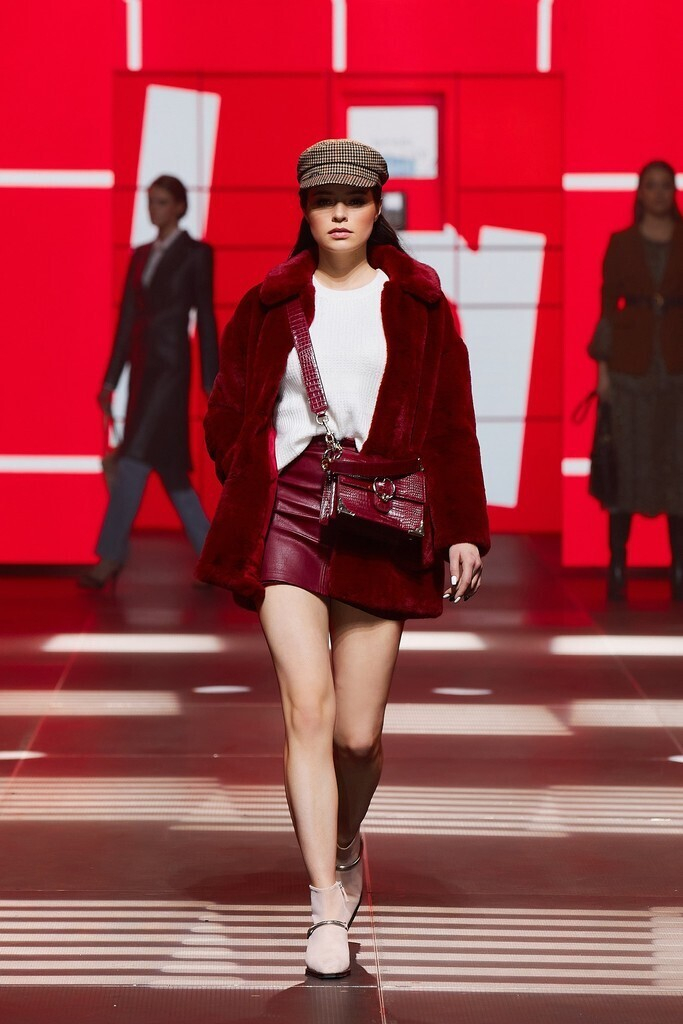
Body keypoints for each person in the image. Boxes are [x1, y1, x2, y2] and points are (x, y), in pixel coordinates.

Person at [196, 140, 490, 978]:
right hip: (286, 515)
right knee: (307, 711)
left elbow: (450, 424)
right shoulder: (269, 303)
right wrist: (249, 473)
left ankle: (345, 838)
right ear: (304, 206)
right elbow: (226, 411)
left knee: (357, 738)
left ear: (375, 207)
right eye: (322, 198)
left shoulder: (419, 304)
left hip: (379, 518)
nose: (336, 212)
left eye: (352, 199)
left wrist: (462, 528)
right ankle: (325, 902)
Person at [79, 175, 219, 589]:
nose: (152, 208)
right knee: (172, 474)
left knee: (134, 459)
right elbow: (127, 321)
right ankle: (215, 558)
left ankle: (110, 556)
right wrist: (110, 381)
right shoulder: (140, 255)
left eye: (160, 201)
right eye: (150, 201)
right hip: (143, 372)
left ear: (179, 206)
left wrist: (210, 378)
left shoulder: (197, 254)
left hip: (171, 372)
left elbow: (205, 317)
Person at [589, 160, 683, 601]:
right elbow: (608, 307)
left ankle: (679, 569)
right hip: (630, 367)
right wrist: (603, 372)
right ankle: (617, 565)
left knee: (678, 467)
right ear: (640, 193)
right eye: (651, 185)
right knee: (626, 467)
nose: (659, 193)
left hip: (678, 365)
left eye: (666, 185)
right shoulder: (621, 242)